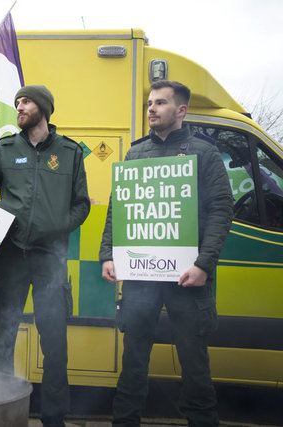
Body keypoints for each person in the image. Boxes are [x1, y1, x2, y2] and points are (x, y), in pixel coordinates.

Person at [99, 80, 234, 426]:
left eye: (160, 103)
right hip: (141, 278)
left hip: (188, 278)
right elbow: (118, 209)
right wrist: (108, 255)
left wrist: (204, 265)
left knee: (194, 365)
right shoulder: (136, 153)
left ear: (181, 110)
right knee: (133, 362)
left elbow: (222, 209)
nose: (151, 109)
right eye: (149, 103)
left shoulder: (203, 152)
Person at [0, 85, 91, 427]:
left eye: (26, 101)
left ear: (43, 108)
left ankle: (54, 417)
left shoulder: (70, 152)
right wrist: (4, 219)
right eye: (17, 102)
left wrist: (57, 226)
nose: (19, 107)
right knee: (4, 335)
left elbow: (82, 204)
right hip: (11, 256)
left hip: (50, 260)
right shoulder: (3, 149)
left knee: (54, 341)